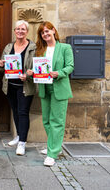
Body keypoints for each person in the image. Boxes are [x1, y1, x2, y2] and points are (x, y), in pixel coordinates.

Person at [27, 21, 74, 166]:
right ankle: (54, 147)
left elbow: (70, 66)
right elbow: (40, 70)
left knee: (57, 121)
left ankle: (52, 153)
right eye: (42, 32)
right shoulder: (41, 50)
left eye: (47, 31)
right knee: (46, 120)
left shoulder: (65, 47)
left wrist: (58, 73)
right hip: (45, 88)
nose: (45, 34)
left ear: (53, 31)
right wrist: (32, 72)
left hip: (59, 88)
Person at [0, 20, 36, 156]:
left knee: (23, 112)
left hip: (25, 86)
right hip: (10, 86)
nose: (20, 31)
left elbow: (37, 68)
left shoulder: (33, 47)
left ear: (27, 31)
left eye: (23, 29)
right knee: (15, 111)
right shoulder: (9, 47)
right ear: (14, 31)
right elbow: (1, 67)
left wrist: (28, 75)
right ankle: (19, 135)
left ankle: (22, 143)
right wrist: (1, 64)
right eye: (17, 29)